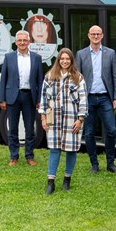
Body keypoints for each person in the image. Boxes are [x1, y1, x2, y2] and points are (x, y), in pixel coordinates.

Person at [76, 25, 116, 174]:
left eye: (98, 34)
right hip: (88, 98)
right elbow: (77, 78)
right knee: (89, 132)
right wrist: (78, 99)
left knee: (111, 130)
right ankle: (94, 164)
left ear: (102, 36)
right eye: (93, 34)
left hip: (105, 98)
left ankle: (110, 163)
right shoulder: (81, 54)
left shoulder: (110, 53)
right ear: (88, 36)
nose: (96, 37)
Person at [40, 49, 87, 194]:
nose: (65, 61)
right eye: (62, 59)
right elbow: (44, 99)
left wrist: (80, 119)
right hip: (53, 118)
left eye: (68, 59)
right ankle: (51, 182)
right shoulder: (49, 76)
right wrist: (43, 118)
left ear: (71, 61)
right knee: (54, 149)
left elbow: (84, 99)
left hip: (72, 119)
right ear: (58, 60)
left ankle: (67, 179)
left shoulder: (78, 78)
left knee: (71, 150)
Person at [0, 30, 43, 166]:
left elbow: (39, 80)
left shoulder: (36, 58)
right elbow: (3, 79)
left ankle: (29, 156)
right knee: (12, 128)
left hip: (29, 96)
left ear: (29, 42)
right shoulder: (8, 57)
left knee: (30, 128)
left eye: (25, 40)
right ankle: (14, 156)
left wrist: (39, 99)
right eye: (20, 40)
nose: (22, 43)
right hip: (12, 97)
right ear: (16, 42)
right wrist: (2, 99)